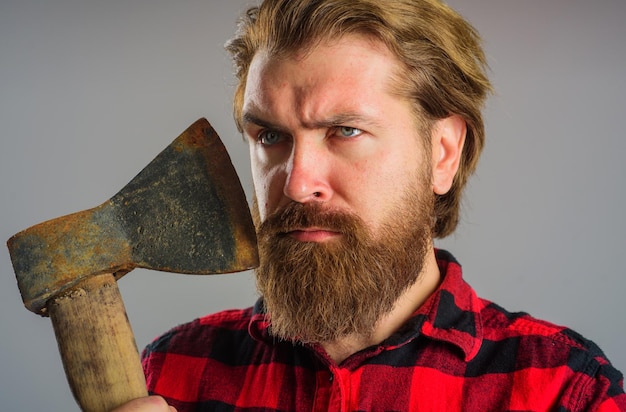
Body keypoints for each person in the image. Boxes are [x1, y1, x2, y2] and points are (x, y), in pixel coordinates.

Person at [115, 0, 626, 411]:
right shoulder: (170, 374)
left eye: (346, 131)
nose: (296, 185)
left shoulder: (565, 390)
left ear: (442, 153)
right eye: (270, 136)